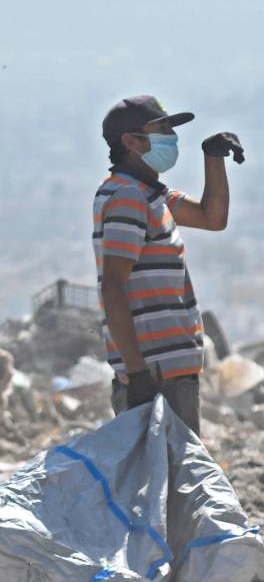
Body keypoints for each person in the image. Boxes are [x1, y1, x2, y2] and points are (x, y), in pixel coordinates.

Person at [93, 95, 245, 435]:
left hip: (169, 369)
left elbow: (212, 217)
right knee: (167, 482)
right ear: (131, 142)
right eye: (161, 129)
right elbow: (113, 286)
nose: (171, 136)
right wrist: (137, 374)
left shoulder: (151, 194)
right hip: (154, 371)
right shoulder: (128, 198)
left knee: (172, 478)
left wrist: (213, 158)